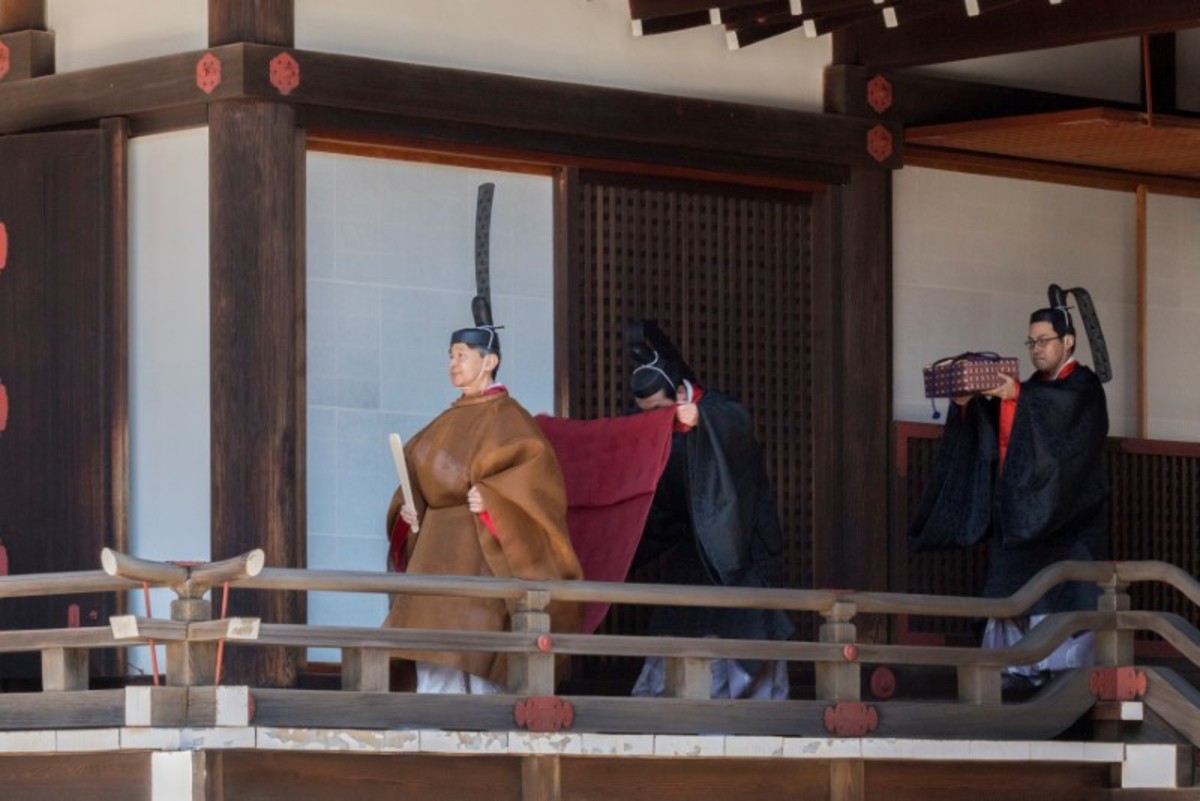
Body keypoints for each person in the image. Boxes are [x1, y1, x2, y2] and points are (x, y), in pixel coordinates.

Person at [908, 304, 1110, 689]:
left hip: (1067, 520)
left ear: (1068, 341)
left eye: (1044, 341)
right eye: (1031, 342)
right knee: (1011, 590)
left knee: (1063, 593)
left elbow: (1060, 432)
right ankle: (1014, 670)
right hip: (1022, 517)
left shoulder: (1084, 388)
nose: (1036, 349)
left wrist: (1016, 394)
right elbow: (1008, 425)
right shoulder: (1033, 388)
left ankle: (1062, 674)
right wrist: (971, 404)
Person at [383, 307, 583, 694]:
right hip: (433, 553)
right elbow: (415, 479)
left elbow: (536, 483)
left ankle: (473, 721)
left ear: (489, 361)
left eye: (462, 355)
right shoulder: (442, 422)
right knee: (428, 654)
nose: (453, 364)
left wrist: (494, 499)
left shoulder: (511, 419)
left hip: (478, 552)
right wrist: (410, 512)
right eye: (450, 356)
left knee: (471, 654)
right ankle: (428, 719)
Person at [625, 321, 794, 700]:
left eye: (658, 409)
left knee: (747, 624)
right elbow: (664, 512)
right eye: (645, 413)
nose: (653, 418)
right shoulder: (662, 434)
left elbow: (737, 426)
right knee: (675, 619)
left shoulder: (719, 412)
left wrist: (702, 420)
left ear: (679, 394)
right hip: (694, 548)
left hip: (742, 546)